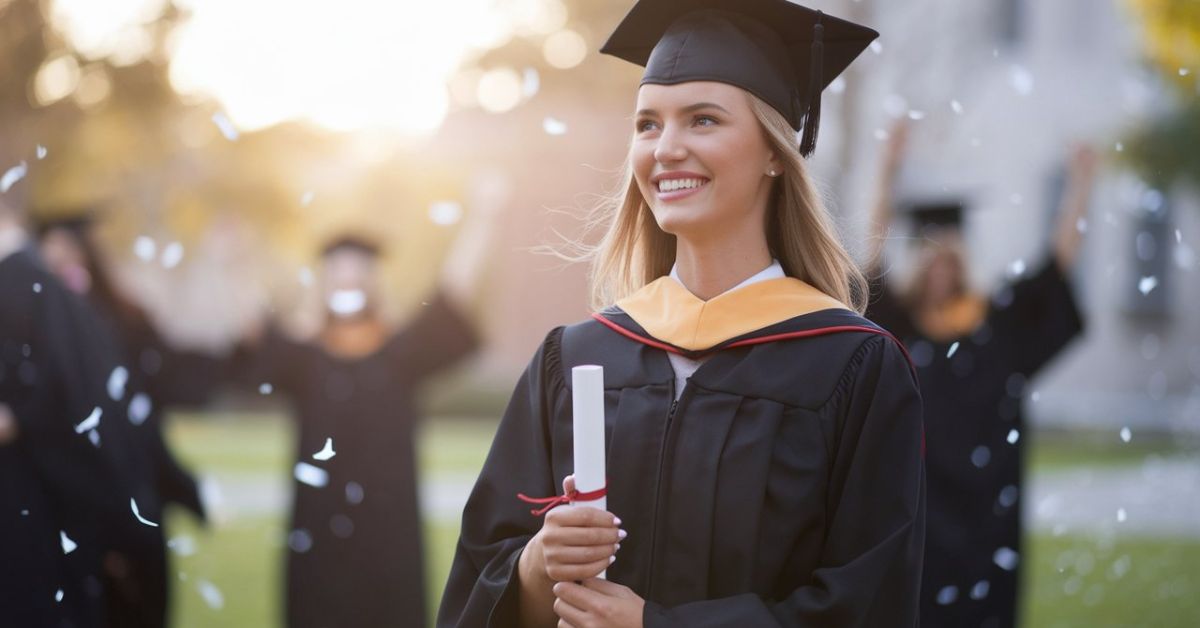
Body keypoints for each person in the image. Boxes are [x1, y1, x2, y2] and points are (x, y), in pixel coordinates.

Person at [438, 1, 926, 626]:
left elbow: (868, 605)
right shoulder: (578, 356)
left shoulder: (851, 366)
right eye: (647, 124)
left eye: (703, 120)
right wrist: (536, 568)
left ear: (776, 152)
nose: (666, 148)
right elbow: (476, 580)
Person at [234, 184, 503, 628]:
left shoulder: (400, 354)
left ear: (372, 282)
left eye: (358, 271)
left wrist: (482, 219)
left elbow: (453, 295)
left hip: (388, 528)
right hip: (316, 528)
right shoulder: (304, 358)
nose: (348, 280)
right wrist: (237, 260)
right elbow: (254, 332)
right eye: (339, 271)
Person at [864, 122, 1094, 628]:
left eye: (950, 258)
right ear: (920, 264)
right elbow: (870, 269)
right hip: (919, 508)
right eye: (932, 258)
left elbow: (1055, 270)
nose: (941, 270)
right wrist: (887, 170)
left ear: (962, 262)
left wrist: (1080, 185)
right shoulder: (898, 327)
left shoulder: (997, 325)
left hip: (987, 511)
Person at [36, 210, 213, 628]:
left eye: (70, 251)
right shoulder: (34, 323)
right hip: (69, 488)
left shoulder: (123, 318)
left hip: (127, 474)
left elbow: (161, 388)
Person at [1, 199, 158, 628]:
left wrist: (19, 417)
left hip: (42, 499)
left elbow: (75, 402)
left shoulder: (33, 288)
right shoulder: (38, 290)